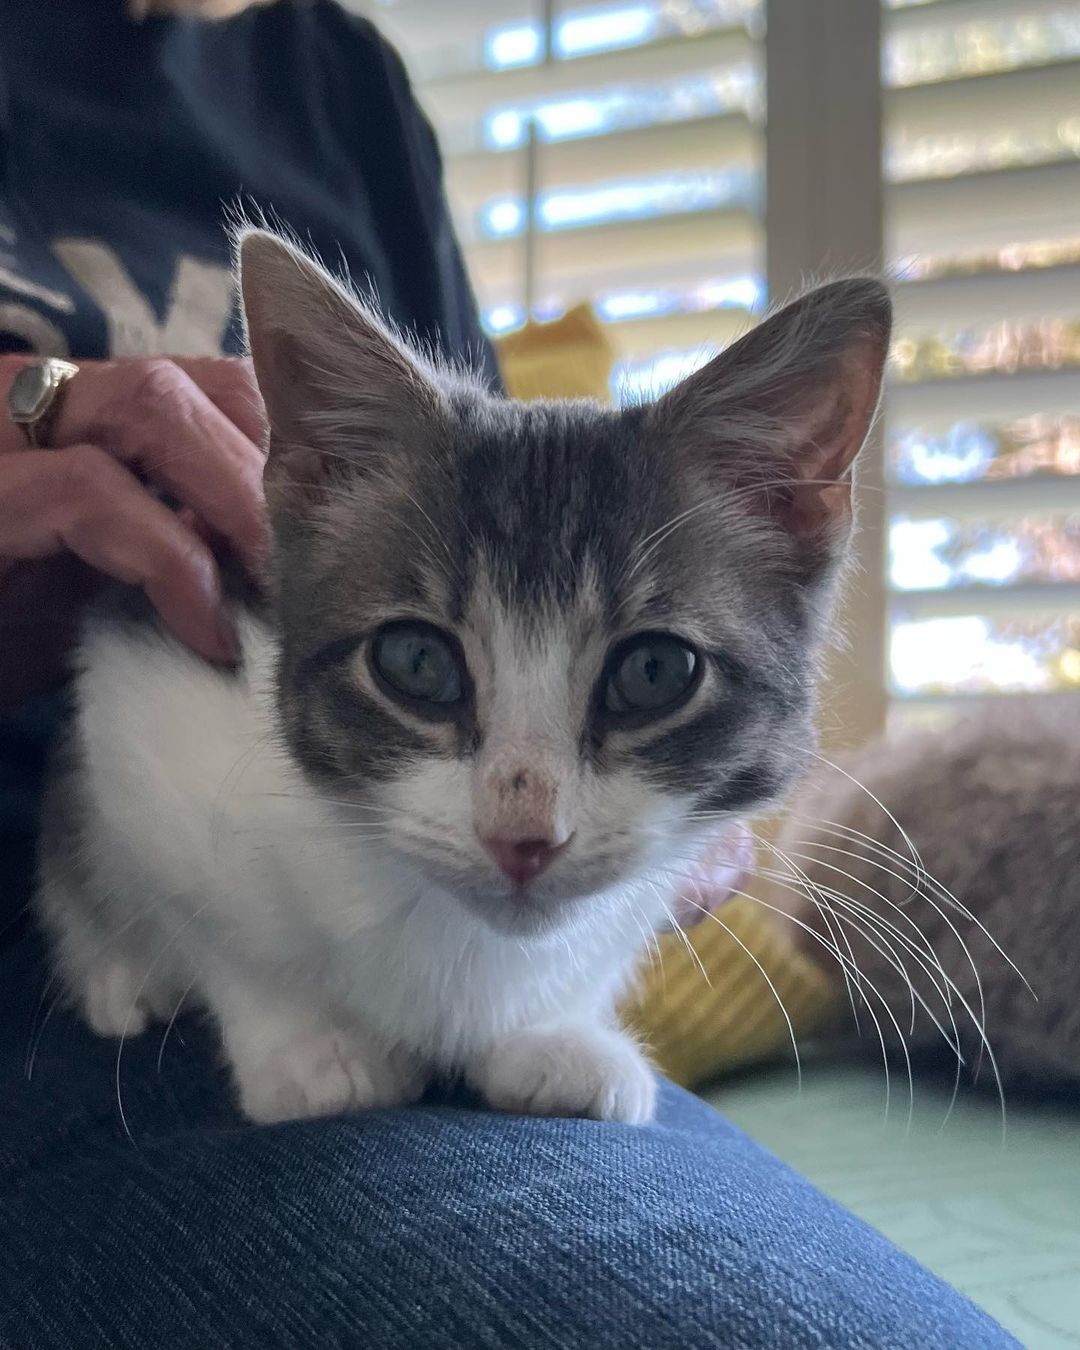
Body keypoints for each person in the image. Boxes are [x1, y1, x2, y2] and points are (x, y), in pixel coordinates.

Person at [0, 3, 1016, 1346]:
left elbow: (514, 495)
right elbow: (135, 688)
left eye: (647, 678)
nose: (526, 822)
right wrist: (268, 998)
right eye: (427, 666)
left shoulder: (336, 78)